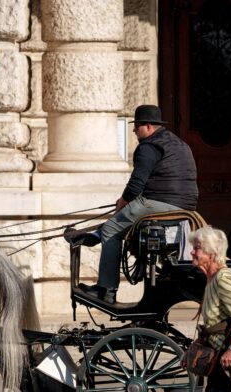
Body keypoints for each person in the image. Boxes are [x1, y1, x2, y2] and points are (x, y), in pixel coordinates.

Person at [78, 104, 199, 303]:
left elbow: (136, 185)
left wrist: (122, 203)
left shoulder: (149, 146)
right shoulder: (178, 143)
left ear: (149, 127)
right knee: (117, 223)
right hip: (184, 207)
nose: (134, 130)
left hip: (161, 202)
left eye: (138, 126)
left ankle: (105, 290)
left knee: (111, 230)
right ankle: (96, 234)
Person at [190, 226, 231, 392]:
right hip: (216, 356)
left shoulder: (223, 278)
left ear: (211, 253)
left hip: (225, 355)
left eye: (197, 248)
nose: (192, 252)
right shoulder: (212, 279)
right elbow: (214, 321)